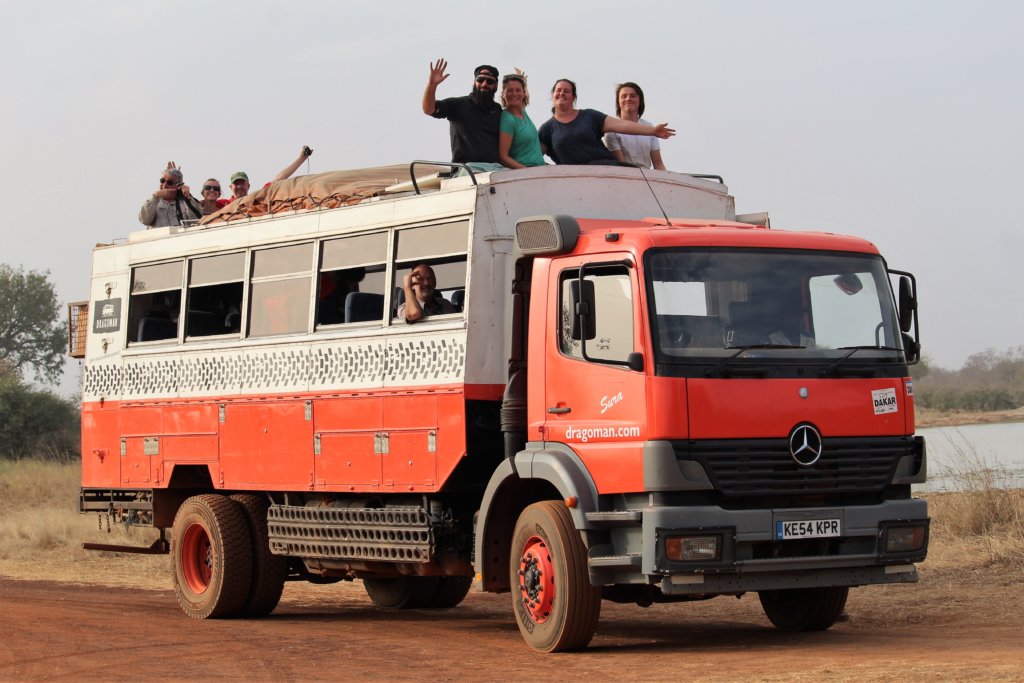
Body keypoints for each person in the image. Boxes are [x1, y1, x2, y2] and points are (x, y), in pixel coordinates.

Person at [538, 79, 675, 166]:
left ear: (573, 97)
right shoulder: (547, 129)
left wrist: (653, 131)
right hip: (573, 180)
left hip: (605, 171)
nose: (562, 93)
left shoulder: (589, 116)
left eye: (566, 91)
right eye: (558, 90)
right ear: (552, 95)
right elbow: (533, 156)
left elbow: (621, 125)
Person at [422, 58, 503, 168]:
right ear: (474, 82)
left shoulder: (497, 110)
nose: (484, 84)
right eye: (480, 80)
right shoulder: (457, 105)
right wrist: (432, 85)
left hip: (495, 170)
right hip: (466, 171)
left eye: (490, 81)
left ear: (496, 86)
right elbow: (428, 109)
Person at [220, 146, 314, 206]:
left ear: (248, 186)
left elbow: (279, 178)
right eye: (236, 184)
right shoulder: (224, 204)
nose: (239, 186)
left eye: (242, 183)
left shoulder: (256, 199)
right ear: (230, 187)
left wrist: (301, 158)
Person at [604, 82, 667, 170]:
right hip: (626, 177)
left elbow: (658, 164)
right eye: (624, 96)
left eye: (633, 96)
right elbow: (622, 165)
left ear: (640, 100)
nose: (628, 99)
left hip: (648, 178)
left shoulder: (649, 127)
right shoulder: (612, 130)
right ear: (618, 101)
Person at [498, 72, 545, 169]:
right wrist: (527, 172)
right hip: (525, 174)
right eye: (510, 90)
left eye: (518, 90)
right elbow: (503, 157)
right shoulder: (507, 119)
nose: (514, 94)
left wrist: (523, 80)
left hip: (539, 170)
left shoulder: (522, 112)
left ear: (524, 93)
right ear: (503, 94)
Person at [138, 162, 202, 229]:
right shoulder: (153, 202)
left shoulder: (185, 202)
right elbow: (144, 220)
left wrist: (188, 197)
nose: (164, 185)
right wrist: (155, 196)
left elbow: (197, 221)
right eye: (162, 181)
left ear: (178, 185)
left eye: (170, 182)